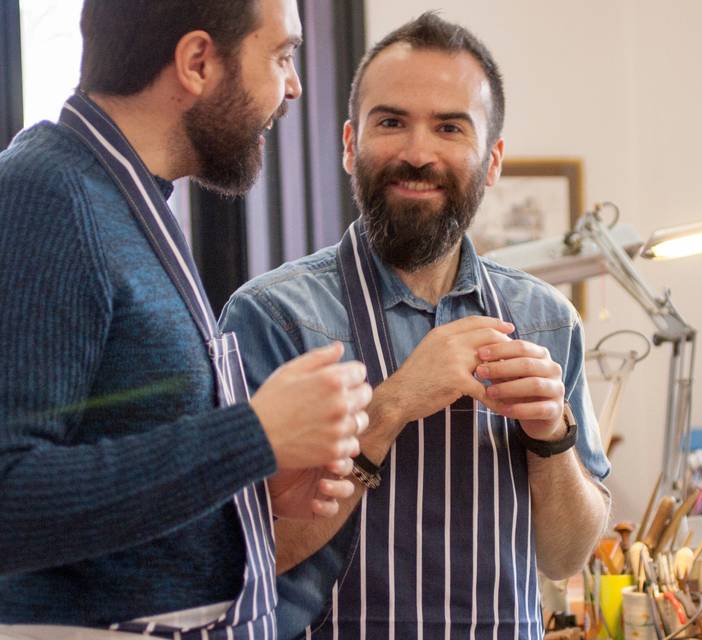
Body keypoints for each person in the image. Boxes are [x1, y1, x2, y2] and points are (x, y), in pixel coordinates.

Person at [221, 13, 611, 639]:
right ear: (351, 144)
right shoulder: (274, 318)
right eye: (391, 122)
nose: (418, 153)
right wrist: (395, 402)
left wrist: (551, 436)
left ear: (492, 162)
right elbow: (247, 556)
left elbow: (565, 557)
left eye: (450, 127)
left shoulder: (546, 321)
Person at [0, 1, 371, 638]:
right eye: (281, 55)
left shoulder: (127, 200)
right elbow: (10, 499)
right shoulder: (47, 196)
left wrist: (253, 485)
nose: (295, 87)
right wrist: (250, 438)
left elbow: (122, 464)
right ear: (198, 62)